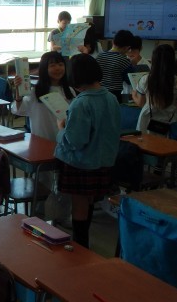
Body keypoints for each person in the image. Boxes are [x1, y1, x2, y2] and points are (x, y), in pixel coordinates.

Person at [55, 54, 120, 248]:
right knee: (89, 201)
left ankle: (80, 246)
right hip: (103, 160)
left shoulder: (81, 103)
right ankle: (83, 245)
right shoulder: (111, 98)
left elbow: (75, 141)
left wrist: (61, 129)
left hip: (81, 163)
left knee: (80, 205)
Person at [12, 51, 75, 140]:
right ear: (44, 69)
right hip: (41, 140)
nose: (58, 68)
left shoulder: (69, 91)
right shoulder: (35, 92)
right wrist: (18, 91)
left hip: (63, 141)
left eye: (61, 64)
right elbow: (19, 110)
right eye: (52, 65)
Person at [132, 44, 177, 133]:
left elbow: (141, 103)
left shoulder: (145, 79)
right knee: (167, 142)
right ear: (172, 60)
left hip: (147, 122)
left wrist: (134, 95)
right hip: (171, 123)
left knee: (146, 141)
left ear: (153, 60)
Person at [95, 29, 134, 103]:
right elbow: (130, 81)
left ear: (113, 42)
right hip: (114, 95)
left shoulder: (99, 56)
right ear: (127, 48)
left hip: (98, 93)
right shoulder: (124, 60)